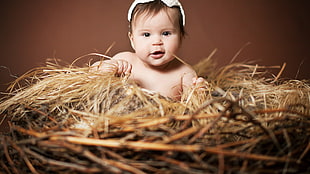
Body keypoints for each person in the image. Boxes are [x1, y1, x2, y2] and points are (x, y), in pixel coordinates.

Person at [91, 0, 204, 100]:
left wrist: (199, 92)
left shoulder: (184, 74)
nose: (157, 41)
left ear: (181, 37)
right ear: (132, 40)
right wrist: (106, 68)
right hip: (124, 120)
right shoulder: (125, 60)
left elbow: (193, 106)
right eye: (146, 34)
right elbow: (90, 75)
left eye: (166, 33)